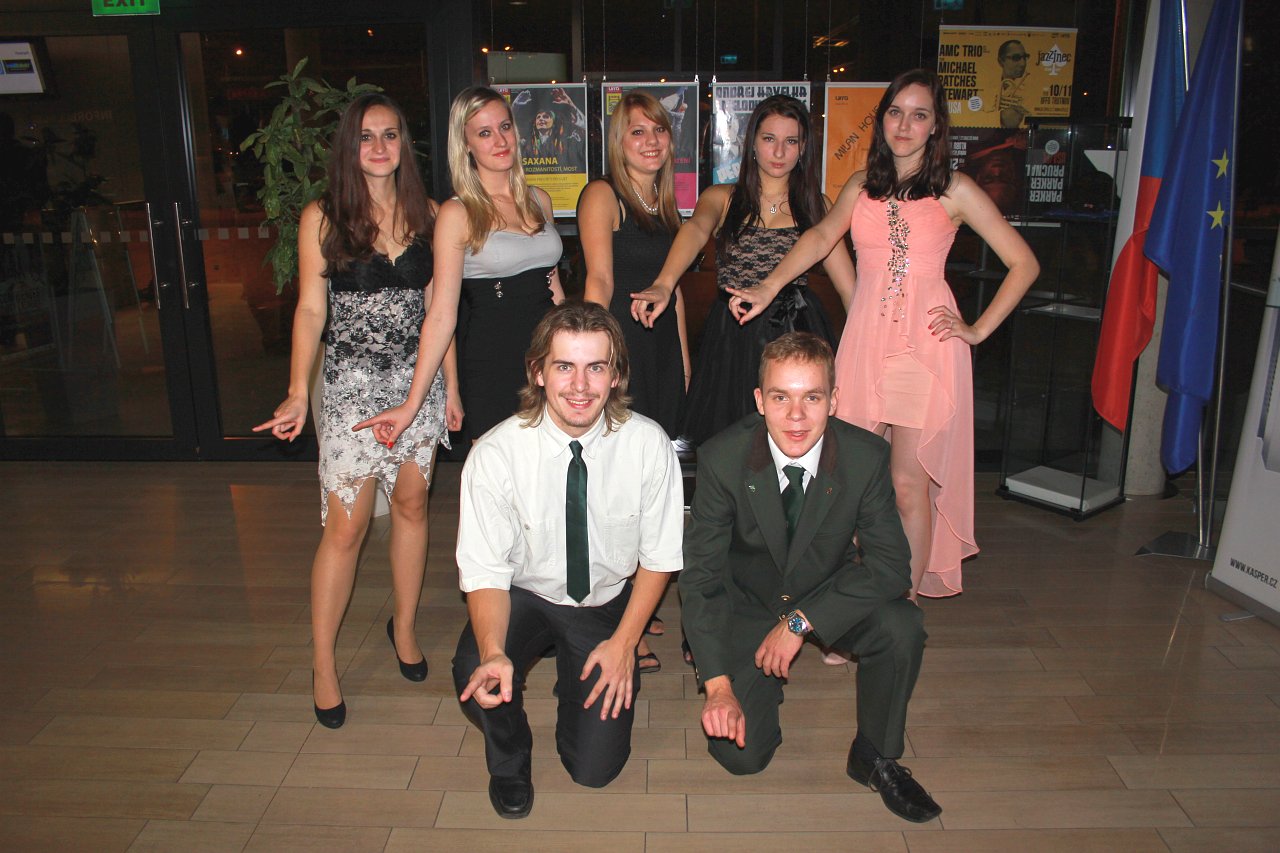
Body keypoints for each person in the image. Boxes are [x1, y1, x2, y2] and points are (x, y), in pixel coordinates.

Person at [730, 69, 1039, 598]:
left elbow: (1023, 263)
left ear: (936, 125)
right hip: (866, 342)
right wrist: (768, 286)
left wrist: (977, 329)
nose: (904, 125)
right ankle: (855, 593)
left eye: (919, 115)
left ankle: (901, 604)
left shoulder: (956, 189)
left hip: (925, 349)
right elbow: (821, 237)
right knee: (848, 479)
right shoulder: (860, 186)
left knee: (906, 483)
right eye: (895, 112)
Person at [681, 332, 940, 823]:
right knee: (741, 758)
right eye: (781, 398)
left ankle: (877, 756)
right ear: (760, 401)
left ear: (833, 401)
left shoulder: (864, 457)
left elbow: (891, 568)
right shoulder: (722, 457)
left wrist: (800, 622)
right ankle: (757, 684)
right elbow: (701, 578)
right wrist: (717, 685)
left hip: (826, 592)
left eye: (812, 398)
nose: (796, 416)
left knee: (901, 624)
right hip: (749, 601)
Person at [254, 94, 447, 728]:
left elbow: (440, 314)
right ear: (350, 145)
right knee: (347, 526)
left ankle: (405, 627)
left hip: (417, 384)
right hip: (350, 386)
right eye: (367, 136)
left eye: (391, 135)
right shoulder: (323, 216)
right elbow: (312, 309)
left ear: (404, 144)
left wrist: (451, 388)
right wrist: (296, 389)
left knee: (413, 505)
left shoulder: (430, 214)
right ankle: (323, 664)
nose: (380, 147)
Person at [451, 302, 684, 819]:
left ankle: (577, 678)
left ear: (616, 375)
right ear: (537, 372)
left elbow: (660, 558)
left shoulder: (648, 446)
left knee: (594, 771)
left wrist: (624, 644)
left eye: (596, 367)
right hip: (526, 594)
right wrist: (494, 650)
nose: (580, 386)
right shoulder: (495, 454)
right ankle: (509, 759)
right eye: (564, 366)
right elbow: (485, 571)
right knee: (474, 669)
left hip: (603, 602)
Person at [630, 94, 854, 446]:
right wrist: (664, 283)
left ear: (803, 148)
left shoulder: (816, 205)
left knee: (797, 433)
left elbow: (848, 287)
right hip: (733, 334)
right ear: (752, 144)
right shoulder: (722, 197)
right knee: (731, 443)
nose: (778, 151)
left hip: (797, 327)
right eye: (769, 139)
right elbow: (695, 229)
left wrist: (866, 348)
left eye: (790, 141)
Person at [447, 86, 566, 443]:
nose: (500, 140)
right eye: (484, 133)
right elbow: (441, 315)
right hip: (491, 358)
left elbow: (555, 290)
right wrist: (447, 389)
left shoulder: (539, 200)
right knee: (496, 469)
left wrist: (577, 353)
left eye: (505, 127)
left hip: (548, 352)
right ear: (466, 144)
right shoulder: (457, 213)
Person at [579, 89, 688, 440]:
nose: (651, 141)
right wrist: (593, 357)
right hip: (622, 341)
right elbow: (599, 280)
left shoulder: (665, 204)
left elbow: (674, 290)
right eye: (638, 132)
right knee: (619, 446)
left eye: (659, 129)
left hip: (662, 344)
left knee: (659, 446)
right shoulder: (602, 194)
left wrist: (684, 363)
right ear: (619, 142)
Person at [996, 39, 1030, 129]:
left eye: (1025, 57)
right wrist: (1001, 117)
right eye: (1016, 58)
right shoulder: (987, 86)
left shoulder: (1031, 89)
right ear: (1001, 61)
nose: (1023, 63)